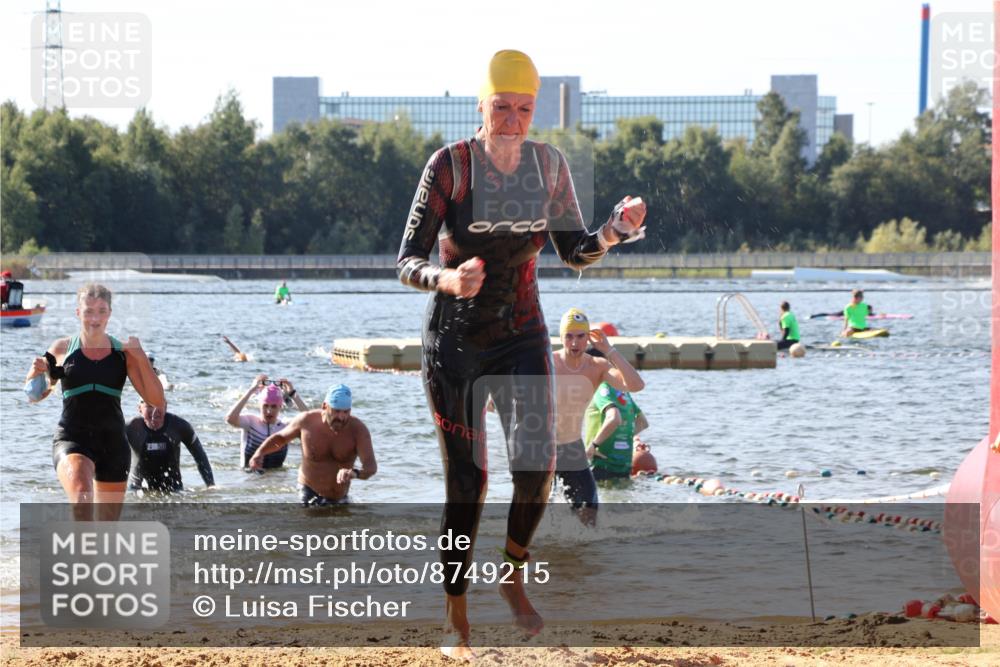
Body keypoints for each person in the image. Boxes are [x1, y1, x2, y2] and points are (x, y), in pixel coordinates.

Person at [395, 49, 648, 655]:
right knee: (469, 481)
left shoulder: (549, 166)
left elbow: (573, 251)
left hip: (523, 332)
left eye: (524, 109)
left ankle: (511, 573)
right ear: (480, 107)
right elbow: (406, 261)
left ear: (534, 112)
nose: (512, 119)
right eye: (501, 107)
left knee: (537, 467)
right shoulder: (451, 167)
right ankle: (456, 608)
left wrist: (615, 231)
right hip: (455, 341)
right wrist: (448, 279)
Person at [23, 283, 164, 521]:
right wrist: (35, 373)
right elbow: (34, 395)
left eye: (101, 310)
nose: (94, 318)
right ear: (78, 312)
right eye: (88, 311)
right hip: (72, 438)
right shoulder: (61, 349)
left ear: (109, 313)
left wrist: (141, 359)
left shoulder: (124, 353)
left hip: (113, 445)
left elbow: (156, 400)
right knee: (81, 498)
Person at [552, 308, 644, 522]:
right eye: (569, 336)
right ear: (562, 337)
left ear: (588, 338)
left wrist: (609, 350)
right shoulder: (548, 362)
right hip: (541, 446)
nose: (575, 343)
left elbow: (636, 385)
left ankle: (577, 552)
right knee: (536, 509)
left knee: (589, 510)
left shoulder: (597, 366)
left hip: (571, 447)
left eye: (580, 336)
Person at [248, 384, 376, 505]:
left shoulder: (358, 430)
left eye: (346, 412)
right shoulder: (306, 421)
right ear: (325, 406)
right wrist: (259, 454)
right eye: (336, 411)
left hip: (340, 498)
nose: (341, 417)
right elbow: (280, 439)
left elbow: (370, 467)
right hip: (309, 492)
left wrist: (354, 473)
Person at [127, 399, 214, 493]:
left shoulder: (180, 426)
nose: (154, 411)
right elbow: (113, 455)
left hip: (174, 489)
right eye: (150, 406)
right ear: (140, 409)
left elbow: (200, 456)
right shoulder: (130, 428)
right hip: (136, 490)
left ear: (165, 406)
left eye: (158, 405)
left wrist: (210, 485)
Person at [226, 374, 309, 470]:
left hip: (277, 478)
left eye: (274, 406)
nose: (269, 411)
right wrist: (251, 391)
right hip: (249, 476)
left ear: (280, 407)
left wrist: (293, 395)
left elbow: (310, 421)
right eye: (265, 406)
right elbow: (230, 419)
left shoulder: (285, 427)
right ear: (260, 405)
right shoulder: (250, 423)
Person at [584, 382, 649, 482]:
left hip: (601, 463)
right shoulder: (624, 391)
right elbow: (643, 422)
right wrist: (622, 437)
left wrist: (593, 445)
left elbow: (614, 418)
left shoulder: (600, 388)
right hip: (624, 464)